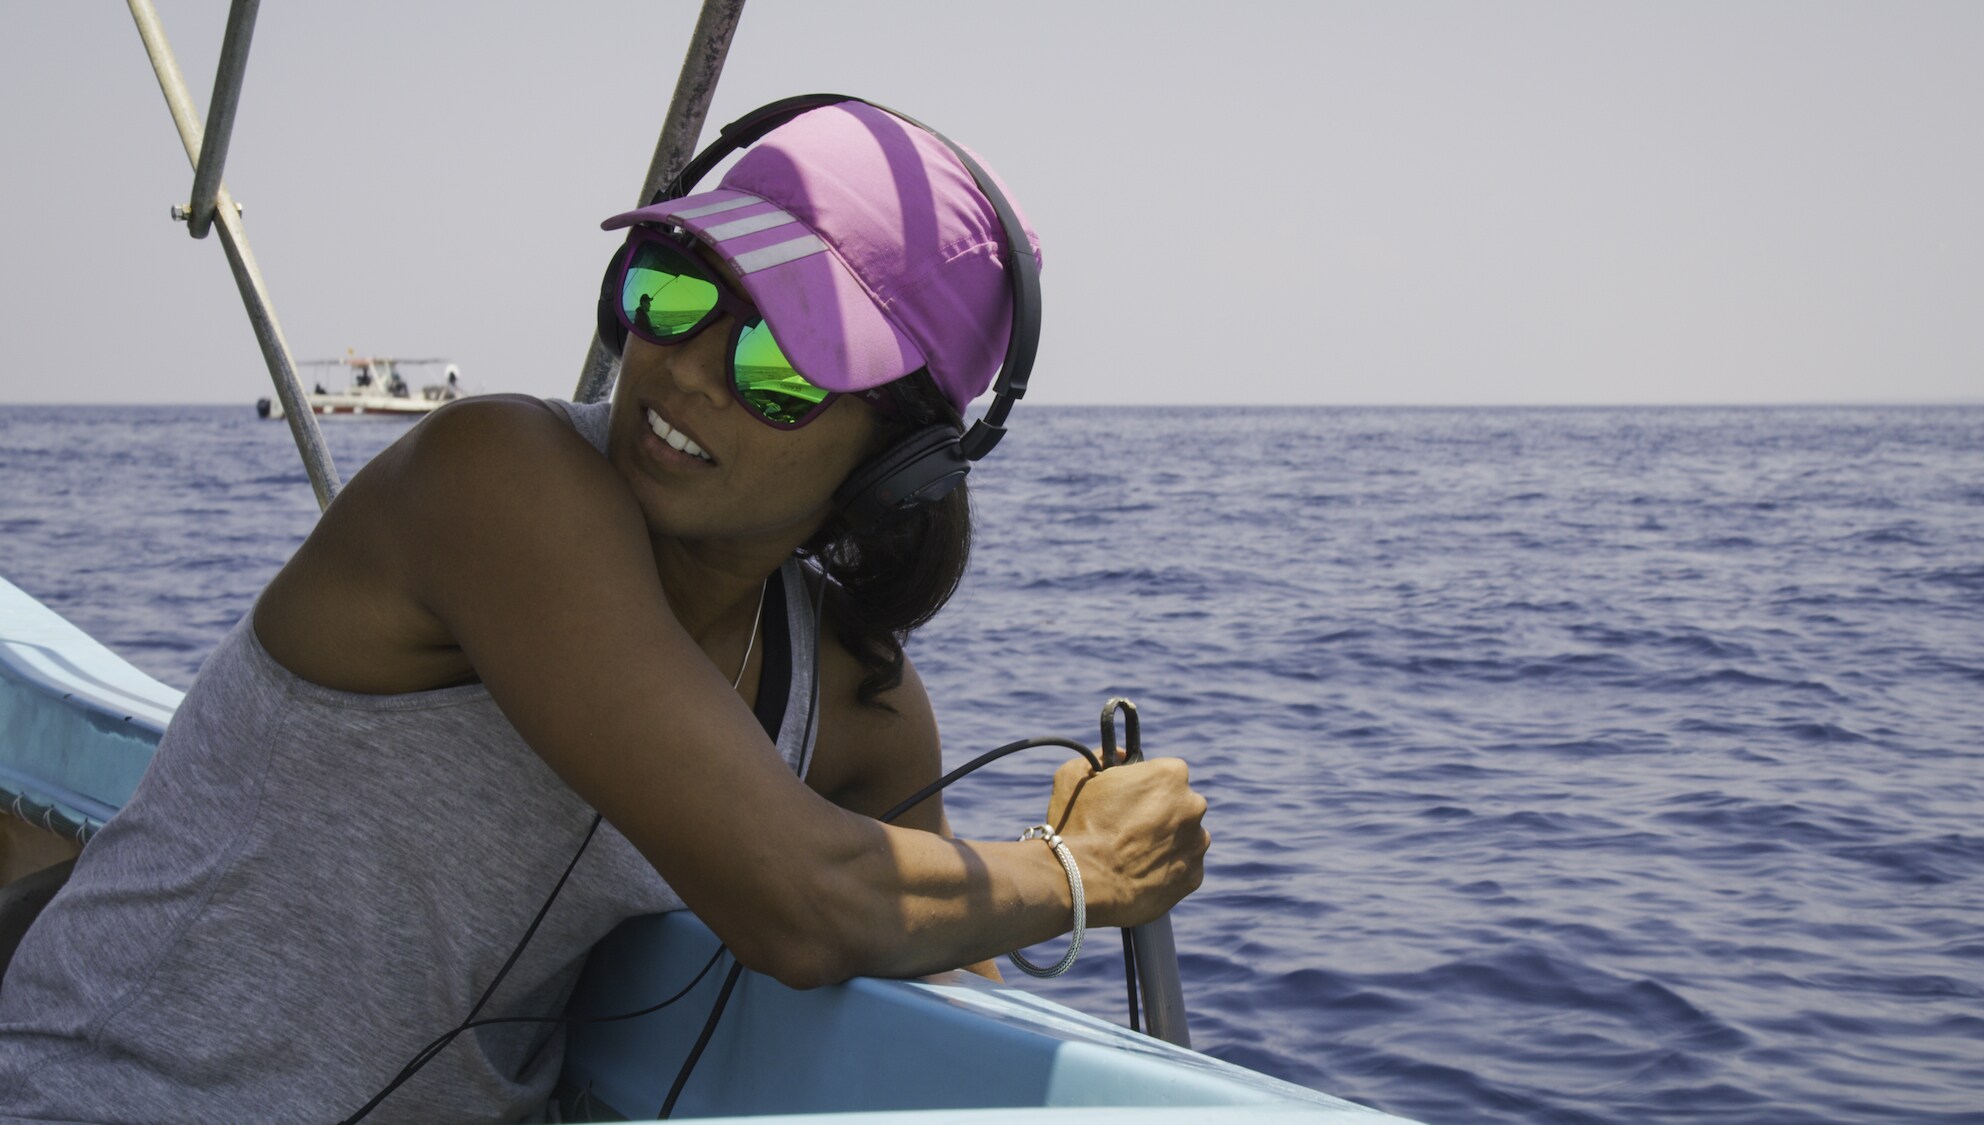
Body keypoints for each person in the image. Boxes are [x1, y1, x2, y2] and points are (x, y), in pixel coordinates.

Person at [0, 101, 1207, 1121]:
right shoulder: (494, 475)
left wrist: (1031, 888)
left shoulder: (853, 703)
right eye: (675, 294)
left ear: (902, 462)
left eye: (782, 369)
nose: (683, 369)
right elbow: (805, 904)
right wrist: (1085, 866)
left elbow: (943, 992)